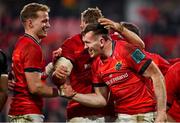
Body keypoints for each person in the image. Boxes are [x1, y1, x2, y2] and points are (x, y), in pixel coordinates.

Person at [60, 22, 167, 123]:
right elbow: (101, 99)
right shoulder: (97, 64)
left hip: (144, 115)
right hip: (121, 116)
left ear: (101, 41)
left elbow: (157, 75)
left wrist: (161, 113)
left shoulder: (128, 50)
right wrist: (74, 95)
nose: (85, 47)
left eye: (88, 42)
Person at [53, 7, 145, 122]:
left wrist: (119, 28)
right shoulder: (72, 44)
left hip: (108, 112)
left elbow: (140, 47)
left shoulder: (111, 41)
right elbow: (62, 70)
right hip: (81, 113)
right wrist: (58, 71)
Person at [8, 3, 61, 122]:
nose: (48, 25)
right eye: (44, 21)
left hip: (19, 112)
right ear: (30, 23)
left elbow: (28, 79)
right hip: (28, 114)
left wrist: (52, 65)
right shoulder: (32, 47)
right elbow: (35, 88)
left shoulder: (21, 42)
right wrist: (62, 92)